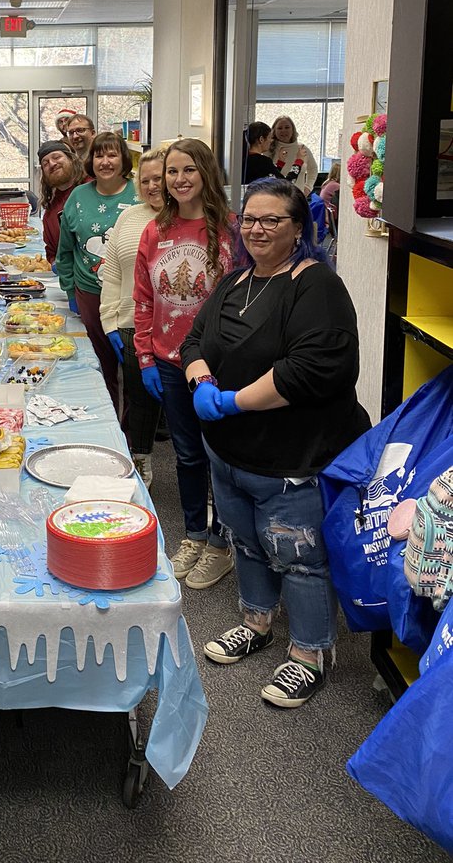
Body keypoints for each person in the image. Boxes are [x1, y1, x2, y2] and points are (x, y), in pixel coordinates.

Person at [182, 178, 370, 707]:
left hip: (293, 458)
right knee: (246, 543)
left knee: (300, 556)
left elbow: (310, 369)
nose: (257, 228)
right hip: (232, 455)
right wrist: (201, 383)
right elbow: (195, 340)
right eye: (250, 219)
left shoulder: (315, 285)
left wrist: (234, 401)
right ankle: (257, 622)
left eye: (271, 220)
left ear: (299, 228)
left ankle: (310, 653)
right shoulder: (236, 280)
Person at [133, 138, 237, 590]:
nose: (178, 180)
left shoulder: (232, 230)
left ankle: (222, 542)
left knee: (224, 455)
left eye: (188, 170)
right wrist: (144, 356)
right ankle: (195, 534)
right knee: (187, 454)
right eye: (171, 172)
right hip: (168, 361)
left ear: (206, 174)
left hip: (221, 365)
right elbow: (141, 297)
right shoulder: (155, 231)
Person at [56, 131, 138, 409]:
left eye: (112, 154)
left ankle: (132, 433)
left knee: (134, 368)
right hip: (90, 293)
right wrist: (69, 290)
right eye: (99, 155)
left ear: (123, 158)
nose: (105, 161)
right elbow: (65, 249)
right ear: (90, 160)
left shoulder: (140, 194)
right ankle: (109, 421)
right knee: (100, 365)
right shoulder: (78, 196)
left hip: (132, 297)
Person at [100, 148, 167, 471]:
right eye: (146, 180)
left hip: (179, 331)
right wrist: (110, 321)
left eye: (160, 178)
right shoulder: (129, 217)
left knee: (185, 407)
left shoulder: (191, 218)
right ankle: (142, 461)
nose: (153, 186)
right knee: (140, 401)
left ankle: (203, 476)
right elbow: (112, 272)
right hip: (131, 323)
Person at [38, 139, 84, 266]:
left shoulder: (94, 190)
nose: (52, 164)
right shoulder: (51, 213)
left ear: (71, 159)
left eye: (57, 157)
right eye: (45, 163)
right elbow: (52, 252)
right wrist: (54, 263)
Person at [269, 115, 318, 195]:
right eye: (280, 128)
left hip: (298, 198)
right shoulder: (269, 150)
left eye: (287, 127)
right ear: (274, 131)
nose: (284, 131)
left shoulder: (302, 148)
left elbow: (313, 169)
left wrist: (308, 187)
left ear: (293, 130)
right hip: (276, 197)